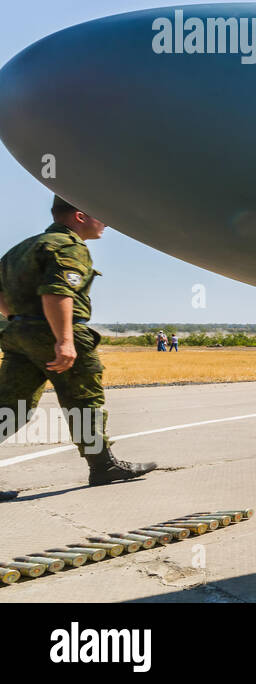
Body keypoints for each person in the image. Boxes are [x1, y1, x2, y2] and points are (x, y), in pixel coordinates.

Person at [0, 196, 157, 499]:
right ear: (80, 216)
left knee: (9, 408)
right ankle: (102, 466)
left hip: (18, 334)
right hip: (52, 331)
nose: (106, 223)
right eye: (102, 216)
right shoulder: (68, 246)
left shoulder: (22, 248)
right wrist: (64, 338)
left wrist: (18, 319)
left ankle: (102, 464)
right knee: (84, 400)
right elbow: (57, 292)